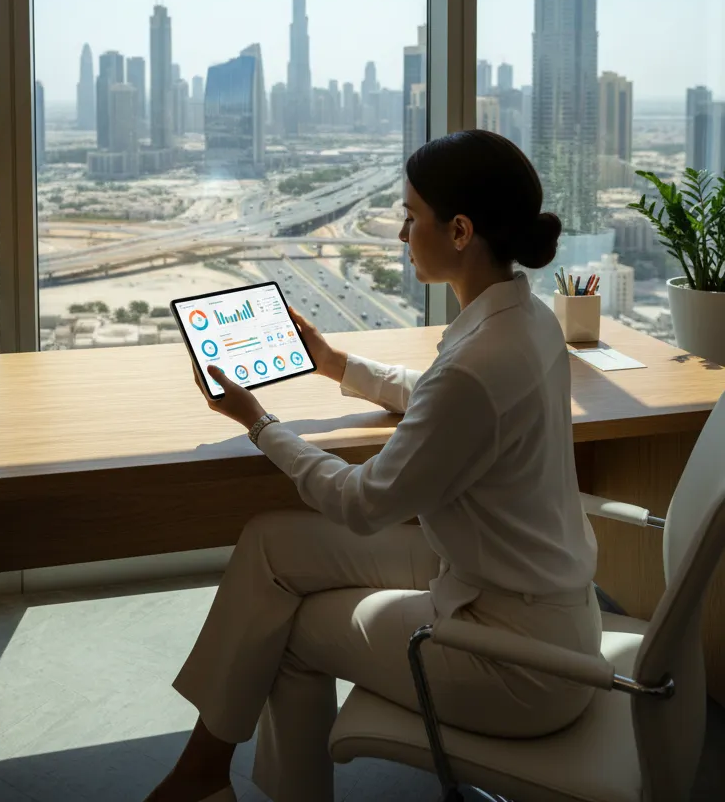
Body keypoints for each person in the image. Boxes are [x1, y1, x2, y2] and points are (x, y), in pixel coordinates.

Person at [146, 130, 600, 802]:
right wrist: (335, 364)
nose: (399, 232)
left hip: (517, 662)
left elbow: (363, 504)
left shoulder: (481, 361)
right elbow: (442, 401)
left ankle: (233, 784)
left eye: (411, 215)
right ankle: (203, 775)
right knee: (272, 544)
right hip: (522, 594)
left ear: (459, 231)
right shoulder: (524, 320)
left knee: (291, 632)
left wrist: (258, 422)